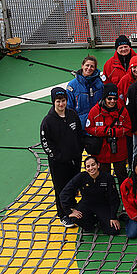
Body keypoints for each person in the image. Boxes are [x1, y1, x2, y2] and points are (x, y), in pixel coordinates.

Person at [41, 87, 84, 226]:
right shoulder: (47, 121)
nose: (61, 104)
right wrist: (58, 157)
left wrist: (79, 150)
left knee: (74, 185)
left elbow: (79, 133)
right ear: (53, 102)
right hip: (58, 163)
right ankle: (63, 214)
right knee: (61, 188)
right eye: (58, 101)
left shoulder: (72, 114)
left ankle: (73, 207)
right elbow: (46, 143)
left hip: (75, 159)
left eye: (63, 101)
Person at [60, 155, 122, 235]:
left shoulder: (108, 178)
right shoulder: (81, 177)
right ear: (85, 169)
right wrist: (69, 211)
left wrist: (113, 217)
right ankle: (93, 221)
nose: (91, 168)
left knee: (114, 230)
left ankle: (101, 220)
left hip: (103, 205)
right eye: (88, 166)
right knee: (76, 219)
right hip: (86, 204)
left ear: (98, 165)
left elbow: (114, 199)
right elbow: (64, 193)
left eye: (93, 165)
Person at [85, 84, 132, 186]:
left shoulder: (122, 111)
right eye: (109, 98)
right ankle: (106, 196)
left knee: (122, 175)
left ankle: (125, 196)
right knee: (103, 177)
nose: (112, 101)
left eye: (115, 98)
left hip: (119, 150)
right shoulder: (95, 111)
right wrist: (105, 131)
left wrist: (115, 132)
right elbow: (88, 128)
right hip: (102, 151)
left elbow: (128, 127)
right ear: (104, 98)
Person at [66, 55, 104, 129]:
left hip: (97, 125)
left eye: (92, 66)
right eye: (87, 65)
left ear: (95, 68)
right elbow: (69, 107)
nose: (89, 68)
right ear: (82, 66)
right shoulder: (72, 85)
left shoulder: (100, 84)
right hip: (80, 126)